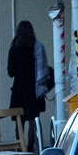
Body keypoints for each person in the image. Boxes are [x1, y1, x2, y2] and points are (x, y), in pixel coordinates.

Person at [8, 20, 49, 148]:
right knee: (33, 119)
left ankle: (20, 146)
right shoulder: (37, 47)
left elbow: (11, 72)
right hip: (33, 88)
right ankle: (31, 147)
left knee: (19, 120)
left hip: (19, 88)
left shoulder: (14, 48)